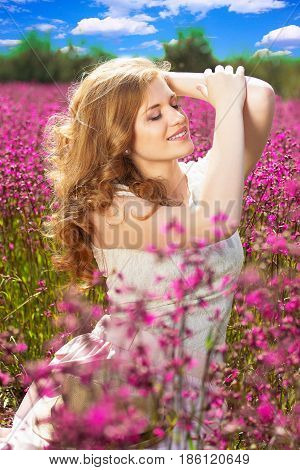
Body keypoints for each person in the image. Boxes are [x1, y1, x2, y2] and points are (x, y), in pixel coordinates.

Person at [0, 57, 247, 450]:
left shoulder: (203, 180)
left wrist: (149, 82)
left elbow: (262, 96)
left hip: (196, 391)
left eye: (176, 105)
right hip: (130, 396)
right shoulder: (110, 209)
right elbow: (220, 219)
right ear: (119, 137)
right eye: (154, 115)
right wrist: (226, 102)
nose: (177, 117)